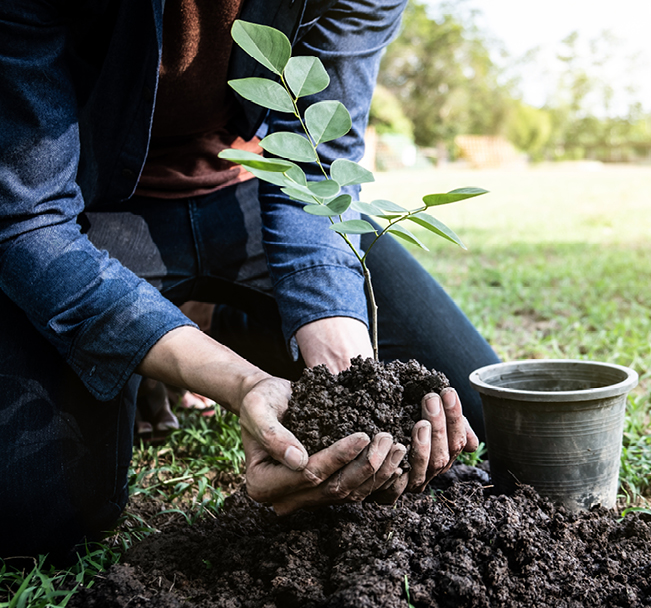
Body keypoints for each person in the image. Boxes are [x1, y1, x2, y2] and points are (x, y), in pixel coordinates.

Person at [0, 0, 500, 563]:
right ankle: (170, 336)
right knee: (35, 514)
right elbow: (27, 218)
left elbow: (315, 166)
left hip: (261, 195)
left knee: (482, 414)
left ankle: (223, 324)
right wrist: (238, 384)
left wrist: (345, 381)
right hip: (92, 208)